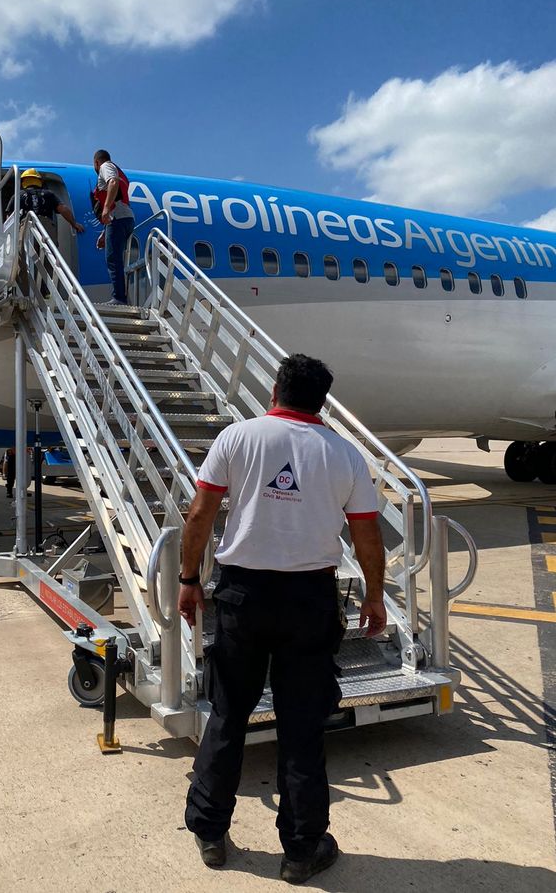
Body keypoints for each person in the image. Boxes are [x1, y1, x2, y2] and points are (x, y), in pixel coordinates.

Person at [179, 354, 387, 884]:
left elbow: (201, 514)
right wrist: (375, 597)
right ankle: (301, 848)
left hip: (242, 596)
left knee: (228, 714)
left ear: (275, 390)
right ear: (321, 400)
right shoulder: (345, 454)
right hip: (308, 602)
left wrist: (187, 579)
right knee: (302, 725)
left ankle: (209, 831)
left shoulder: (237, 438)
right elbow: (366, 534)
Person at [92, 149, 134, 305]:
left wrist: (106, 207)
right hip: (125, 218)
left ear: (96, 162)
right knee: (116, 257)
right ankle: (121, 296)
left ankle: (119, 297)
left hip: (118, 217)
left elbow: (113, 182)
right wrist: (104, 232)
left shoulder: (105, 167)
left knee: (113, 259)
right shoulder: (119, 170)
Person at [14, 169, 85, 238]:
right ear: (39, 181)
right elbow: (63, 209)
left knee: (25, 248)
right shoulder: (48, 194)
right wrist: (74, 224)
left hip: (27, 226)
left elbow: (9, 216)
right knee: (48, 249)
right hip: (46, 226)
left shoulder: (19, 195)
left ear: (23, 181)